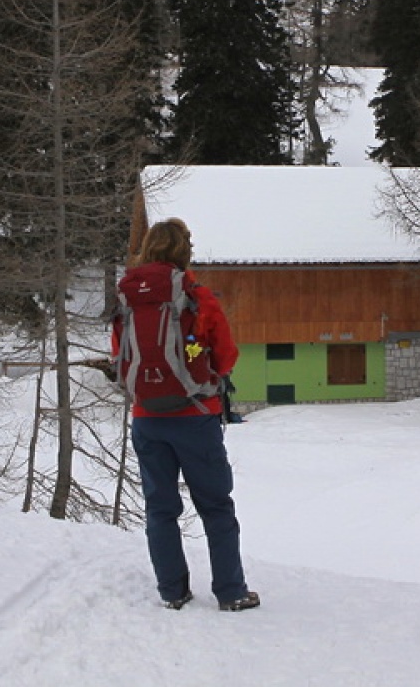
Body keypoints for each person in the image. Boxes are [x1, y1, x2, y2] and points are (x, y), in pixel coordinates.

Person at [113, 218, 259, 612]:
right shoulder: (196, 296)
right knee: (215, 506)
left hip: (146, 416)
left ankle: (172, 591)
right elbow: (226, 354)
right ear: (184, 250)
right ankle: (230, 592)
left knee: (160, 508)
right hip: (195, 415)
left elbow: (119, 352)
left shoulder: (128, 297)